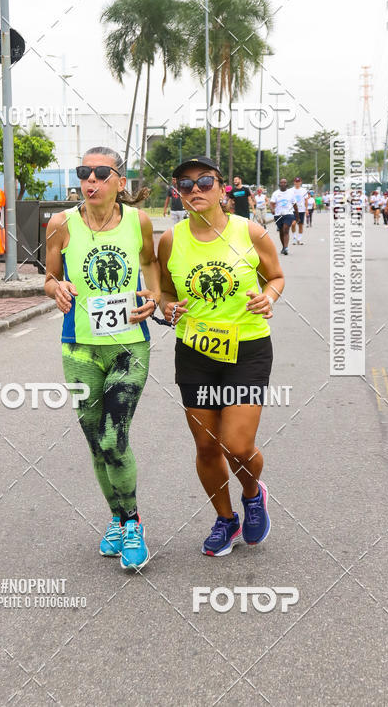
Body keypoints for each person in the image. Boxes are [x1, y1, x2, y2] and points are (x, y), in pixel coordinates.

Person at [157, 156, 285, 556]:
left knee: (237, 444)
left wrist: (268, 297)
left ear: (221, 187)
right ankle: (226, 520)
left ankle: (252, 493)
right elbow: (164, 291)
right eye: (186, 184)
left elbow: (276, 277)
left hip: (247, 348)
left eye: (205, 181)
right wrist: (167, 307)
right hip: (195, 350)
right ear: (178, 192)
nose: (196, 189)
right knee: (208, 446)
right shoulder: (171, 240)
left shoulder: (250, 232)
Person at [45, 147, 160, 570]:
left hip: (129, 345)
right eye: (83, 173)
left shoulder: (139, 221)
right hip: (78, 345)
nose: (90, 181)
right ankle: (116, 518)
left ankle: (133, 523)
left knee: (114, 436)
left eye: (100, 173)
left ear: (120, 182)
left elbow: (149, 263)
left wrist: (155, 296)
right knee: (95, 442)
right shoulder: (61, 224)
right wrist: (55, 289)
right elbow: (50, 276)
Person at [270, 179, 297, 255]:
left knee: (286, 230)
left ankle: (286, 248)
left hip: (288, 214)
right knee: (281, 232)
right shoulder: (275, 193)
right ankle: (283, 247)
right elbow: (272, 203)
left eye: (285, 182)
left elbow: (295, 204)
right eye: (281, 183)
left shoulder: (291, 193)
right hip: (278, 214)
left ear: (287, 184)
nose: (283, 184)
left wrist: (297, 216)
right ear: (279, 184)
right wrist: (272, 209)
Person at [290, 177, 307, 245]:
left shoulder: (304, 190)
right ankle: (294, 238)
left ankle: (299, 239)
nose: (297, 183)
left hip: (301, 210)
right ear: (294, 182)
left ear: (300, 182)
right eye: (296, 182)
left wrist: (306, 209)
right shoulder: (290, 190)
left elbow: (306, 200)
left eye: (298, 182)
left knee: (300, 225)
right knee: (293, 224)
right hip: (293, 210)